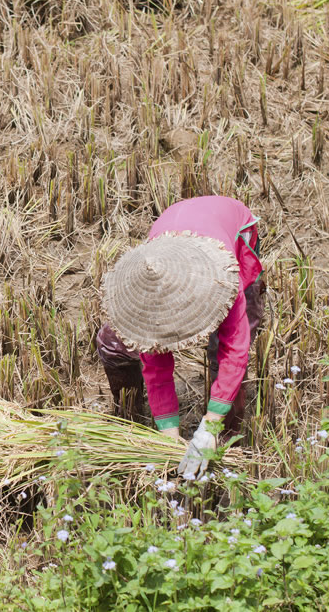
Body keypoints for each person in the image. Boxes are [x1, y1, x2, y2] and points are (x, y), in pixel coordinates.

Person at [97, 196, 266, 476]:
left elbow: (235, 352)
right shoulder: (148, 293)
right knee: (113, 343)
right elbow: (156, 369)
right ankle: (133, 414)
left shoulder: (224, 276)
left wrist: (210, 425)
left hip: (233, 229)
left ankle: (225, 441)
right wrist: (168, 434)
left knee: (222, 349)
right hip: (175, 227)